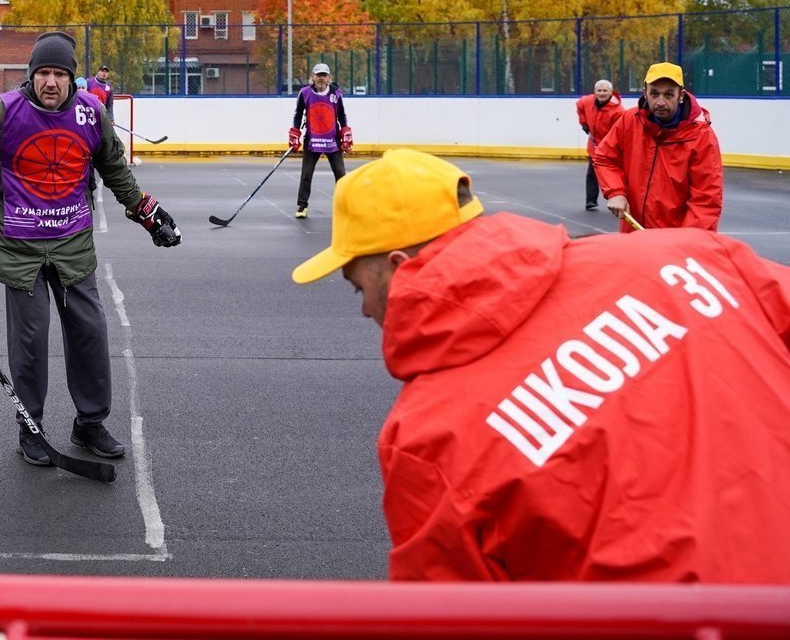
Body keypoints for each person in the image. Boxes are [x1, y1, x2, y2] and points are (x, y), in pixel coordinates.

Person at [291, 148, 790, 582]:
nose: (362, 308)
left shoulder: (428, 438)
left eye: (359, 286)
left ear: (401, 267)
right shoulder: (687, 254)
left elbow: (450, 616)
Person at [0, 31, 181, 467]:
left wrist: (144, 211)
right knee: (30, 341)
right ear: (31, 75)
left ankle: (90, 422)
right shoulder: (3, 112)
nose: (51, 82)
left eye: (60, 74)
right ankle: (32, 427)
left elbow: (115, 169)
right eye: (43, 72)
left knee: (90, 333)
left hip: (73, 244)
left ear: (72, 79)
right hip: (19, 248)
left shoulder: (91, 114)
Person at [593, 62, 722, 232]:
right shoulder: (630, 120)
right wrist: (616, 192)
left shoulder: (702, 136)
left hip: (675, 242)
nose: (660, 102)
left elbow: (706, 200)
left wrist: (686, 244)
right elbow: (605, 157)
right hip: (633, 234)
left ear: (680, 95)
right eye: (654, 93)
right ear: (645, 92)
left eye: (668, 94)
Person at [289, 62, 352, 219]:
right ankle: (302, 206)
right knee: (306, 174)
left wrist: (345, 131)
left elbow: (342, 114)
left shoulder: (336, 94)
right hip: (312, 140)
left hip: (332, 140)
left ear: (329, 77)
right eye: (318, 75)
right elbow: (298, 114)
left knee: (340, 173)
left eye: (324, 75)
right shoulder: (305, 93)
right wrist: (295, 132)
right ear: (313, 77)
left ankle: (344, 205)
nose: (321, 78)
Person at [573, 78, 622, 211]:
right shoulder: (588, 101)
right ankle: (591, 201)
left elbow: (619, 131)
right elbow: (579, 105)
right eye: (599, 91)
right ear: (594, 92)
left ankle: (620, 198)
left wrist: (611, 145)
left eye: (605, 91)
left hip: (610, 147)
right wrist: (584, 123)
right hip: (594, 146)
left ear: (611, 92)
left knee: (614, 175)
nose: (602, 93)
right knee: (592, 173)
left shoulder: (617, 111)